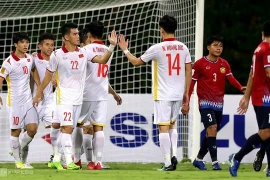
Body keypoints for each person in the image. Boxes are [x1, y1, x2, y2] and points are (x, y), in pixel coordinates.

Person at [32, 22, 117, 170]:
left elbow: (102, 60)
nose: (78, 36)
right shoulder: (57, 54)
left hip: (79, 98)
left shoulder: (84, 52)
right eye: (75, 34)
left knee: (67, 128)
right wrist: (39, 93)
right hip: (63, 96)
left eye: (78, 33)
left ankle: (57, 158)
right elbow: (47, 77)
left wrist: (111, 46)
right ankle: (70, 161)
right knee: (67, 128)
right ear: (66, 37)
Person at [118, 15, 192, 171]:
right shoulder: (183, 47)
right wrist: (186, 94)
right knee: (173, 126)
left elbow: (136, 62)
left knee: (163, 128)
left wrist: (125, 49)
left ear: (162, 30)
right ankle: (173, 155)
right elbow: (188, 71)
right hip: (178, 94)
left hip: (163, 94)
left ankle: (167, 163)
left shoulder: (157, 48)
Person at [188, 36, 245, 171]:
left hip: (219, 104)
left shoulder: (224, 64)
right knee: (212, 128)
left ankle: (198, 159)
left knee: (211, 133)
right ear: (208, 47)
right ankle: (215, 163)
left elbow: (230, 79)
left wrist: (240, 88)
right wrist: (187, 100)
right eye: (215, 45)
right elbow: (192, 82)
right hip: (205, 103)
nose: (218, 48)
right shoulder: (199, 64)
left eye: (220, 45)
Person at [74, 22, 122, 170]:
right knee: (98, 128)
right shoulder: (109, 50)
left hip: (86, 94)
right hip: (102, 94)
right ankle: (98, 161)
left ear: (88, 35)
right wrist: (113, 94)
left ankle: (76, 159)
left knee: (78, 125)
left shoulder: (85, 50)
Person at [229, 21, 270, 177]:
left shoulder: (259, 48)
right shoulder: (266, 49)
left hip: (261, 96)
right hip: (264, 97)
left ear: (262, 33)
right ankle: (237, 157)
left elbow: (252, 74)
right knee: (266, 132)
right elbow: (268, 73)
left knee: (268, 132)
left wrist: (246, 97)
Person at [0, 32, 39, 169]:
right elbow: (1, 78)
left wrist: (39, 88)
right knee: (15, 131)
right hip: (15, 102)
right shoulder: (9, 62)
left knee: (32, 129)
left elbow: (34, 71)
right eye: (22, 42)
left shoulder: (29, 58)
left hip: (28, 101)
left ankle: (16, 148)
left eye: (27, 42)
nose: (25, 45)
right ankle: (18, 162)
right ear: (15, 44)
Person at [31, 32, 60, 168]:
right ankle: (18, 151)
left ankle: (55, 157)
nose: (50, 47)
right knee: (29, 131)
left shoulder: (56, 61)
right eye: (47, 45)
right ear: (39, 46)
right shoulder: (33, 59)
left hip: (50, 101)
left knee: (56, 126)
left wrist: (57, 82)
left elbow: (61, 80)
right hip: (34, 101)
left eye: (52, 45)